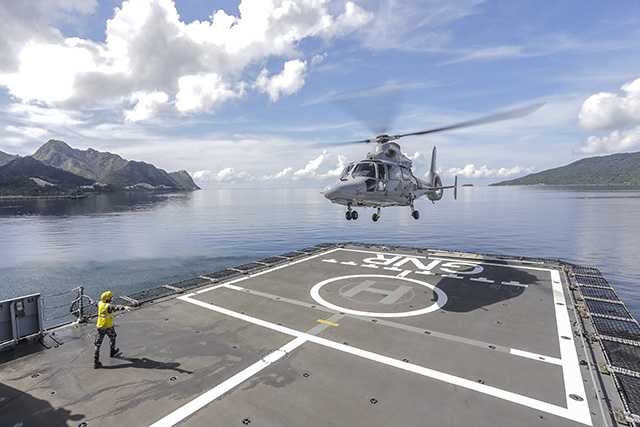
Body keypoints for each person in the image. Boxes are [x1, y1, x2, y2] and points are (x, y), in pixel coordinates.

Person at [94, 291, 126, 369]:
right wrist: (124, 307)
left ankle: (96, 362)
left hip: (100, 326)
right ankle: (112, 352)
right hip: (108, 326)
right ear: (108, 299)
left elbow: (94, 303)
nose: (111, 299)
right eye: (110, 298)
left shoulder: (100, 303)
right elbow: (115, 307)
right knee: (113, 337)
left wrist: (90, 300)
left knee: (98, 344)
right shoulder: (108, 306)